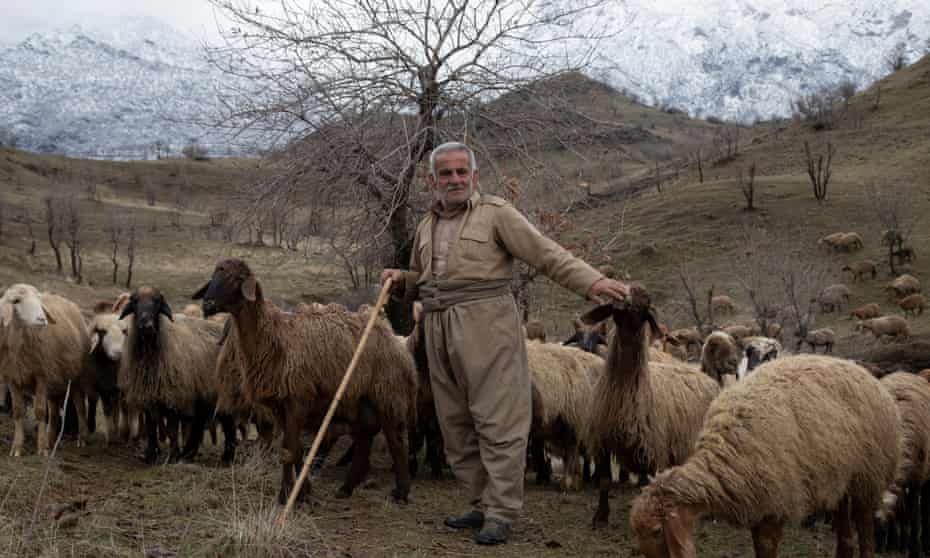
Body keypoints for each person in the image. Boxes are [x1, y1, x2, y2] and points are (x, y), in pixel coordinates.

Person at [381, 142, 628, 545]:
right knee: (454, 421)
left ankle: (501, 512)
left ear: (475, 177)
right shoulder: (426, 225)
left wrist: (594, 283)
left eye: (462, 172)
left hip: (487, 325)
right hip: (438, 327)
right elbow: (421, 278)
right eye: (446, 174)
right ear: (432, 181)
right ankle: (479, 504)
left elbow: (547, 254)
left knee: (497, 419)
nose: (455, 179)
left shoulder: (497, 215)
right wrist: (402, 281)